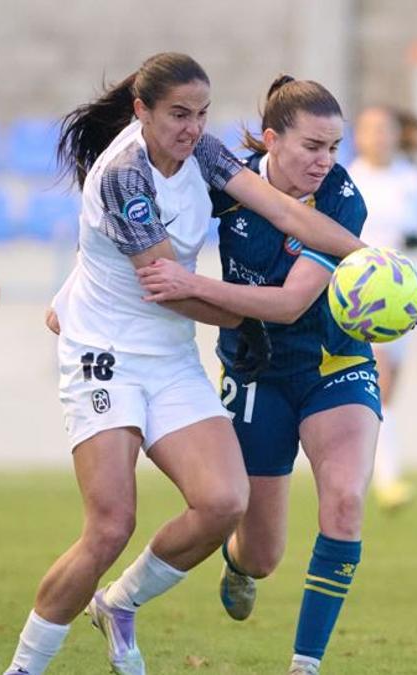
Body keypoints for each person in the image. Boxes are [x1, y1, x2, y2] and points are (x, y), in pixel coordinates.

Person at [3, 53, 364, 675]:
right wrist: (243, 312)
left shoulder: (204, 153)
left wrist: (375, 262)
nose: (193, 128)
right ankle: (25, 667)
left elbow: (282, 211)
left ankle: (119, 607)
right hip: (106, 354)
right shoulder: (124, 178)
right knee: (111, 525)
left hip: (170, 358)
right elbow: (181, 292)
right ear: (141, 110)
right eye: (178, 115)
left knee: (225, 502)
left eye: (201, 114)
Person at [137, 75, 378, 675]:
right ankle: (238, 564)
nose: (325, 161)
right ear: (271, 140)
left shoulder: (343, 199)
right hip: (256, 372)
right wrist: (75, 297)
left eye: (333, 148)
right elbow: (132, 232)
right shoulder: (224, 184)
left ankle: (305, 663)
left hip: (334, 365)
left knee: (345, 501)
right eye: (311, 147)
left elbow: (293, 302)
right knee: (263, 554)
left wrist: (192, 285)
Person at [346, 106, 417, 511]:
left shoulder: (413, 179)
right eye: (369, 129)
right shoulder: (348, 178)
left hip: (404, 295)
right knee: (380, 379)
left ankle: (368, 468)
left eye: (384, 129)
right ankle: (387, 479)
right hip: (359, 295)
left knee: (388, 388)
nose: (377, 137)